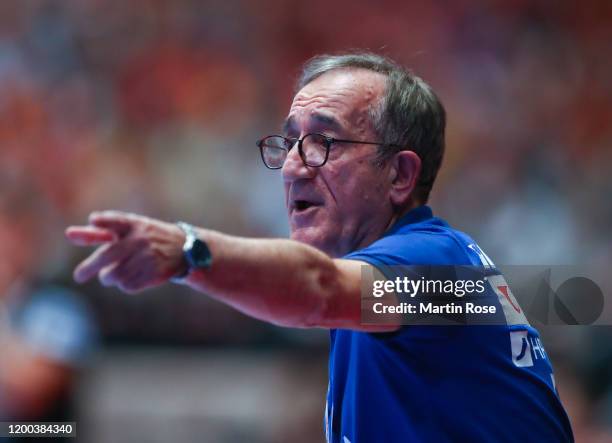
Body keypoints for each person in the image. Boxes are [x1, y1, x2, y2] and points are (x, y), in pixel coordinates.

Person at [66, 53, 574, 442]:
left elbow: (317, 286)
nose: (292, 167)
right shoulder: (380, 281)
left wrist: (189, 250)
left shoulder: (440, 271)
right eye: (289, 143)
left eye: (323, 143)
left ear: (400, 174)